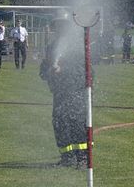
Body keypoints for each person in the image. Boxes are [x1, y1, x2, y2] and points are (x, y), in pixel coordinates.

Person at [39, 14, 88, 168]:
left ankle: (83, 158)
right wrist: (48, 71)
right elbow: (43, 69)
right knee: (60, 123)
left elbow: (82, 70)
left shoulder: (76, 46)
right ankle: (67, 158)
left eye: (62, 25)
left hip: (75, 91)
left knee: (77, 123)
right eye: (56, 25)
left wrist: (63, 70)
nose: (59, 29)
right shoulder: (51, 47)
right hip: (59, 92)